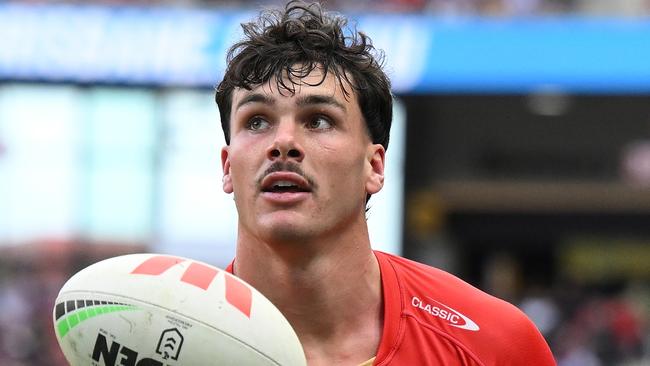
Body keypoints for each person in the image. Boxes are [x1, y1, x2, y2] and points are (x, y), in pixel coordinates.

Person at [215, 1, 556, 365]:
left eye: (318, 120)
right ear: (227, 167)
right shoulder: (155, 339)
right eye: (256, 121)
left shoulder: (495, 344)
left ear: (374, 166)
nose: (282, 142)